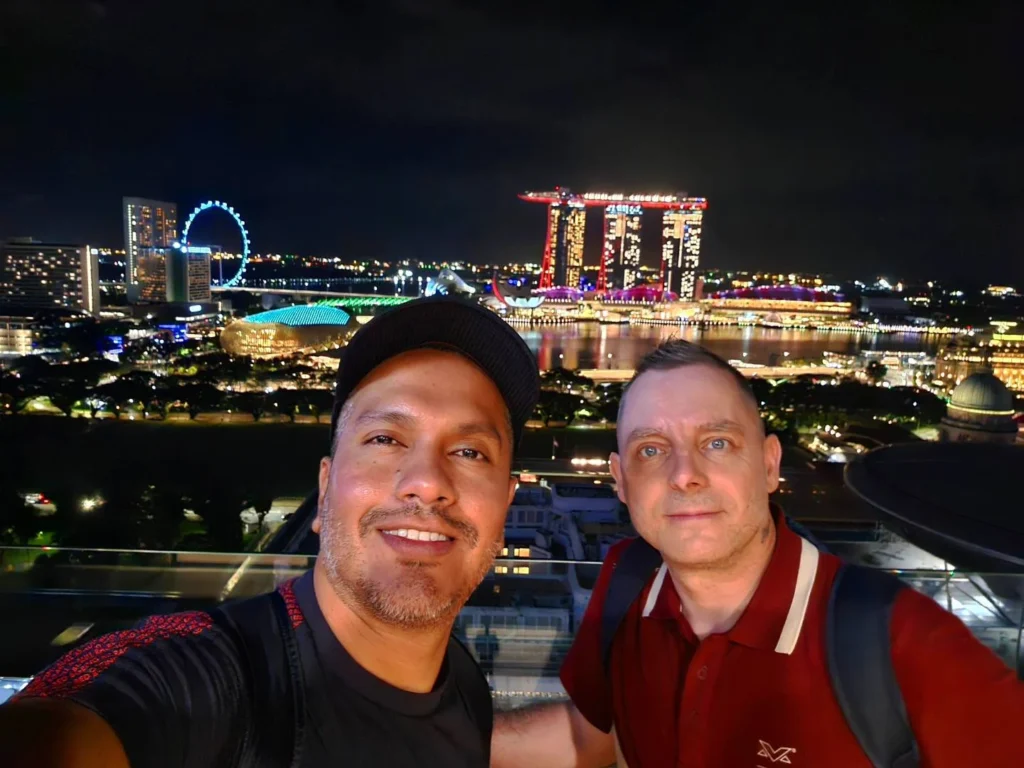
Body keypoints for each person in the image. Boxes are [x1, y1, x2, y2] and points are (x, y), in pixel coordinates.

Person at [0, 295, 540, 768]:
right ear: (325, 488)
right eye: (384, 439)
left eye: (470, 452)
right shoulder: (205, 684)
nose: (425, 483)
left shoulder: (465, 686)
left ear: (506, 503)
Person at [492, 340, 1024, 768]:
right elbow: (594, 739)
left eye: (717, 443)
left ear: (770, 465)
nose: (684, 474)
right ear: (621, 482)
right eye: (651, 450)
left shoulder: (906, 644)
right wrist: (425, 737)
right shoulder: (627, 580)